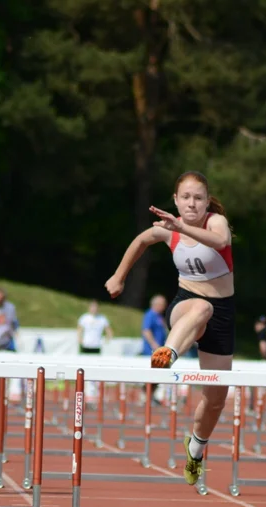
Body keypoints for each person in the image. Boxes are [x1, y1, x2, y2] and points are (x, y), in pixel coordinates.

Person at [104, 170, 234, 486]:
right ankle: (168, 352)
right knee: (202, 307)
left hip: (223, 314)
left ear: (207, 202)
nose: (192, 203)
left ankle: (196, 448)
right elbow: (140, 240)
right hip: (186, 305)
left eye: (198, 198)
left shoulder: (215, 222)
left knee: (216, 397)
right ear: (176, 200)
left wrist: (182, 226)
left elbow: (220, 242)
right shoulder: (167, 228)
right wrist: (119, 276)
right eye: (186, 197)